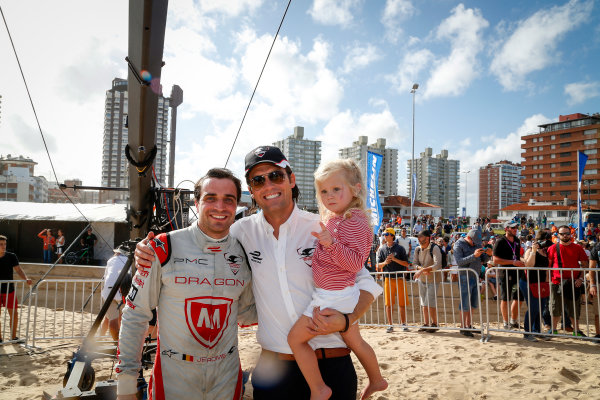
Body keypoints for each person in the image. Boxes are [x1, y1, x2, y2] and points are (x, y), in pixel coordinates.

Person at [135, 146, 382, 399]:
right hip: (273, 370)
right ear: (251, 190)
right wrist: (147, 249)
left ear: (291, 179)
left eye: (275, 176)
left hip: (331, 363)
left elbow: (365, 282)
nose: (268, 185)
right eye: (258, 180)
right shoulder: (240, 231)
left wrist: (347, 320)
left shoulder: (321, 227)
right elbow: (198, 237)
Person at [116, 168, 257, 400]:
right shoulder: (162, 247)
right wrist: (126, 384)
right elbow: (135, 315)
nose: (220, 207)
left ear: (237, 205)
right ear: (196, 202)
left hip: (226, 378)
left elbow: (246, 315)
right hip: (173, 378)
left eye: (228, 200)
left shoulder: (245, 252)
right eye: (211, 198)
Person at [287, 159, 387, 400]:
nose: (329, 196)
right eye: (323, 191)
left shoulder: (353, 221)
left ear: (355, 188)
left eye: (336, 189)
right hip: (339, 294)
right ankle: (376, 379)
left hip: (332, 297)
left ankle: (319, 388)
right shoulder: (340, 217)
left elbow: (354, 263)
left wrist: (330, 244)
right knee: (355, 341)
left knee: (295, 340)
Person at [547, 225, 589, 337]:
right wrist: (548, 282)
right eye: (562, 234)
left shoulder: (578, 248)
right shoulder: (552, 248)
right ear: (558, 235)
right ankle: (553, 329)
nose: (565, 235)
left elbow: (585, 265)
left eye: (567, 233)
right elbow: (548, 266)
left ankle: (577, 330)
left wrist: (580, 279)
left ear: (570, 234)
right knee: (555, 307)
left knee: (574, 308)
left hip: (573, 282)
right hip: (556, 282)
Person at [453, 229, 491, 337]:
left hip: (475, 276)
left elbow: (483, 259)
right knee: (465, 303)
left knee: (473, 303)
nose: (476, 244)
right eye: (474, 242)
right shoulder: (458, 244)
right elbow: (459, 261)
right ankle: (463, 327)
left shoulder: (476, 243)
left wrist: (488, 254)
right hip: (465, 277)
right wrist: (474, 256)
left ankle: (468, 325)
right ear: (469, 238)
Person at [519, 231, 552, 342]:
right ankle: (527, 332)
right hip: (528, 282)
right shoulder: (530, 250)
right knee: (533, 308)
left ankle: (537, 331)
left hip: (541, 283)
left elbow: (547, 269)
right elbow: (529, 265)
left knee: (541, 307)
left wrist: (547, 283)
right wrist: (533, 251)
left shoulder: (545, 252)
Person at [377, 227, 410, 333]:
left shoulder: (400, 248)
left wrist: (395, 259)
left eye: (387, 235)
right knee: (388, 303)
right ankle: (390, 325)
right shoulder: (382, 249)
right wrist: (386, 263)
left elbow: (406, 263)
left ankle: (403, 324)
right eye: (384, 235)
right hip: (388, 278)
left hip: (399, 278)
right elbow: (378, 265)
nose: (385, 237)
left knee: (402, 303)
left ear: (392, 235)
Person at [493, 221, 525, 330]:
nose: (515, 229)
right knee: (506, 298)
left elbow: (517, 256)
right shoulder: (500, 241)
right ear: (506, 229)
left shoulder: (516, 240)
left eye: (516, 227)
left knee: (519, 298)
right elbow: (495, 260)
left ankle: (513, 321)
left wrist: (523, 263)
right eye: (513, 228)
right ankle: (505, 322)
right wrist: (512, 262)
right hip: (505, 273)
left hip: (517, 272)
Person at [0, 235, 32, 342]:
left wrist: (26, 278)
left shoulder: (11, 256)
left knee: (14, 314)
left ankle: (13, 337)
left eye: (5, 244)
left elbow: (18, 270)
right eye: (1, 244)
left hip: (9, 289)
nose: (3, 246)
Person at [412, 230, 442, 332]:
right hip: (422, 279)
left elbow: (437, 265)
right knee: (423, 302)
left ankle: (434, 324)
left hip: (433, 279)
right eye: (418, 237)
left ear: (427, 238)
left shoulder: (435, 248)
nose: (419, 239)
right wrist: (421, 269)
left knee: (430, 302)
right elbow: (414, 263)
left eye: (421, 237)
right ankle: (426, 323)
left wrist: (424, 270)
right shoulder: (417, 249)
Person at [100, 245, 128, 340]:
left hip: (108, 292)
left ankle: (104, 339)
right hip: (123, 292)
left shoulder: (111, 260)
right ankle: (116, 342)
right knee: (115, 318)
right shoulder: (130, 261)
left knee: (111, 318)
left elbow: (106, 276)